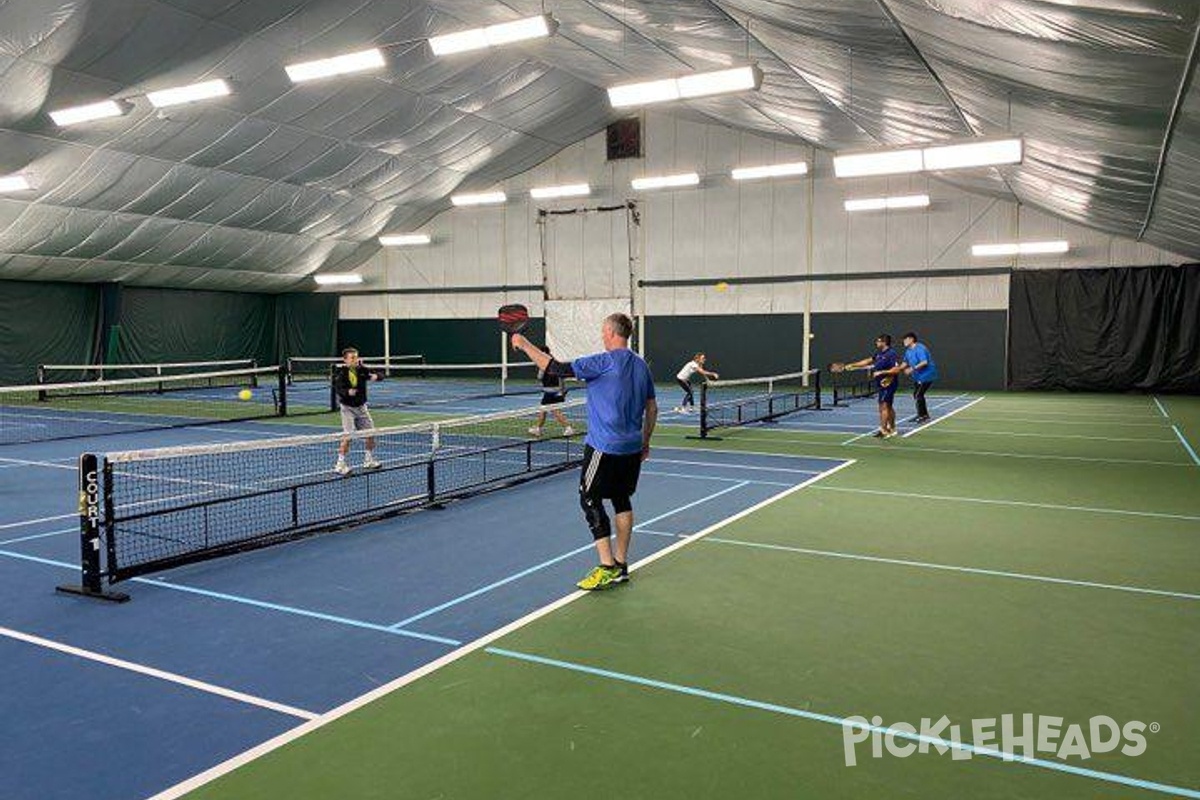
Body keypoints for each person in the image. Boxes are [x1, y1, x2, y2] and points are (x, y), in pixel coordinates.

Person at [511, 313, 657, 591]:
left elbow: (554, 368)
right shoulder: (641, 366)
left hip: (604, 446)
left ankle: (606, 567)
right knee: (621, 499)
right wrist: (645, 441)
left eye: (604, 332)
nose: (602, 337)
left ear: (613, 333)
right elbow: (652, 408)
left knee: (588, 498)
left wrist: (525, 344)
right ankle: (621, 565)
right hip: (631, 446)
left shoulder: (601, 362)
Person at [332, 348, 383, 475]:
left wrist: (377, 376)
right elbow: (338, 389)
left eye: (356, 357)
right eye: (352, 358)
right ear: (345, 360)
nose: (355, 360)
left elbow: (378, 375)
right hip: (347, 408)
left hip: (361, 408)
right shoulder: (340, 373)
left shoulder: (362, 370)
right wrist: (347, 392)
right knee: (348, 436)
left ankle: (368, 460)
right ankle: (340, 464)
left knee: (371, 434)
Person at [843, 334, 902, 438]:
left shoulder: (891, 354)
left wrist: (881, 373)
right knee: (888, 406)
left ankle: (883, 430)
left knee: (883, 406)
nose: (877, 343)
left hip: (888, 383)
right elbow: (867, 361)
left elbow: (897, 369)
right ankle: (892, 428)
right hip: (881, 384)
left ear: (884, 342)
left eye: (878, 341)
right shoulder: (879, 353)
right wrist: (853, 365)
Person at [528, 347, 575, 437]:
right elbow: (561, 377)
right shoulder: (555, 362)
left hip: (550, 391)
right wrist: (562, 390)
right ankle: (538, 428)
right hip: (556, 390)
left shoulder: (544, 363)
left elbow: (539, 377)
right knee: (544, 409)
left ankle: (568, 428)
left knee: (554, 410)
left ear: (543, 353)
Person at [901, 332, 938, 423]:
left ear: (912, 339)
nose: (903, 341)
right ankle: (923, 415)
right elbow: (904, 363)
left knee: (918, 394)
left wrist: (911, 369)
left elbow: (924, 362)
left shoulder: (920, 348)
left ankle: (922, 416)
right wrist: (895, 370)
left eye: (905, 339)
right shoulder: (908, 350)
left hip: (927, 375)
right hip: (918, 376)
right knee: (917, 394)